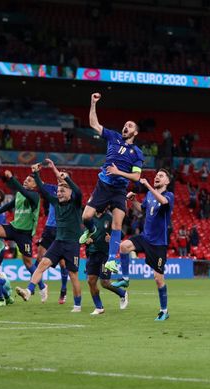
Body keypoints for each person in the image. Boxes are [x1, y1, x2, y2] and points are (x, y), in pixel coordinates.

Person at [80, 93, 144, 292]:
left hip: (119, 189)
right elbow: (93, 123)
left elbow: (136, 177)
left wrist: (118, 172)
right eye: (125, 124)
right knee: (86, 216)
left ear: (135, 132)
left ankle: (111, 261)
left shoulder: (137, 153)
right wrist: (92, 103)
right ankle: (91, 230)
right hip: (103, 185)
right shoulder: (114, 137)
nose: (126, 127)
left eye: (130, 126)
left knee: (117, 224)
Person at [16, 164, 84, 312]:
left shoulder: (75, 203)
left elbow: (78, 192)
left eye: (62, 191)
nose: (59, 193)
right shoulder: (55, 202)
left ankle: (77, 304)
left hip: (72, 244)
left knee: (73, 275)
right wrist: (36, 174)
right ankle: (29, 290)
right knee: (42, 264)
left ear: (69, 192)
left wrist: (68, 179)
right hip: (58, 242)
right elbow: (42, 188)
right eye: (58, 191)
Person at [107, 169, 174, 321]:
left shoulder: (169, 196)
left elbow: (163, 202)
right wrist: (134, 200)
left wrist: (148, 186)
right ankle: (125, 278)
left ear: (167, 182)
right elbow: (142, 210)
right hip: (145, 237)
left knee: (158, 279)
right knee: (124, 246)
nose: (157, 176)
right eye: (157, 175)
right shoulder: (150, 195)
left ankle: (164, 311)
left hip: (158, 244)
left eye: (161, 176)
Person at [0, 169, 46, 302]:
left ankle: (42, 286)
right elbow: (7, 206)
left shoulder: (35, 196)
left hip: (25, 234)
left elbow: (24, 191)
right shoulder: (19, 194)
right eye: (25, 179)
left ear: (35, 185)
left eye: (29, 180)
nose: (26, 181)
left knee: (28, 263)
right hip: (14, 228)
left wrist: (12, 179)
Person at [34, 159, 69, 304]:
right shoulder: (53, 189)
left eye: (63, 176)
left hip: (61, 229)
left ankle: (63, 290)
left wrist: (54, 168)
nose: (61, 178)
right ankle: (41, 285)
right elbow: (40, 185)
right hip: (49, 228)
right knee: (39, 258)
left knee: (62, 264)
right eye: (59, 176)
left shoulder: (71, 193)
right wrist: (38, 172)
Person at [83, 207, 128, 314]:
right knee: (91, 281)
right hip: (93, 253)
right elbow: (85, 234)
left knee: (105, 282)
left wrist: (111, 237)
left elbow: (121, 235)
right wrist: (87, 240)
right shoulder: (89, 218)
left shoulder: (110, 218)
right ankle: (99, 307)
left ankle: (122, 293)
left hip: (105, 255)